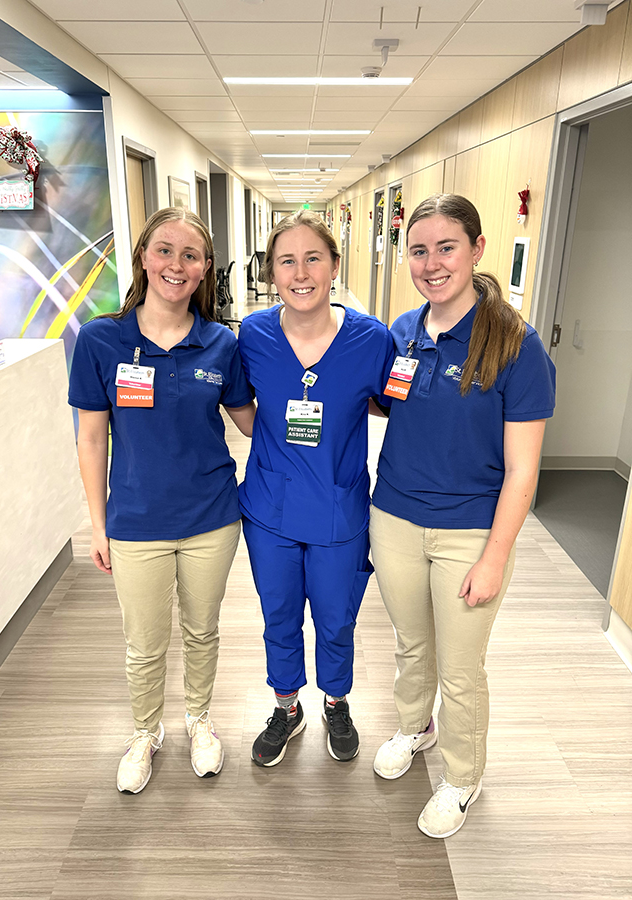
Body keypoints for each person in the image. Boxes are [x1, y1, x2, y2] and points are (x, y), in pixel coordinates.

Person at [370, 193, 556, 838]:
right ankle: (414, 727)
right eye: (418, 250)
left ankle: (462, 775)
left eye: (445, 247)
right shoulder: (401, 331)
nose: (430, 263)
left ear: (477, 250)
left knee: (460, 665)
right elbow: (388, 406)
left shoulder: (515, 345)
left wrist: (495, 556)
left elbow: (524, 470)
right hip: (392, 514)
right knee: (410, 644)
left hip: (469, 530)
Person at [68, 208, 255, 794]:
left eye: (191, 256)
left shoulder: (222, 343)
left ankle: (198, 720)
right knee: (144, 642)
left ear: (205, 270)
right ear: (144, 257)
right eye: (166, 251)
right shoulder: (103, 339)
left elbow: (250, 423)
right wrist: (97, 526)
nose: (177, 265)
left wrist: (318, 380)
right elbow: (92, 436)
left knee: (203, 630)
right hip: (136, 520)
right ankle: (145, 732)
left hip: (212, 518)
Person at [238, 210, 395, 767]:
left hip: (338, 511)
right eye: (287, 260)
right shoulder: (253, 334)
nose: (300, 272)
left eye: (313, 258)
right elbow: (241, 407)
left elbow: (386, 402)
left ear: (333, 266)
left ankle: (335, 701)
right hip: (269, 509)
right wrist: (280, 443)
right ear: (272, 270)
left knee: (336, 616)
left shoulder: (371, 339)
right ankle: (286, 707)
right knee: (278, 613)